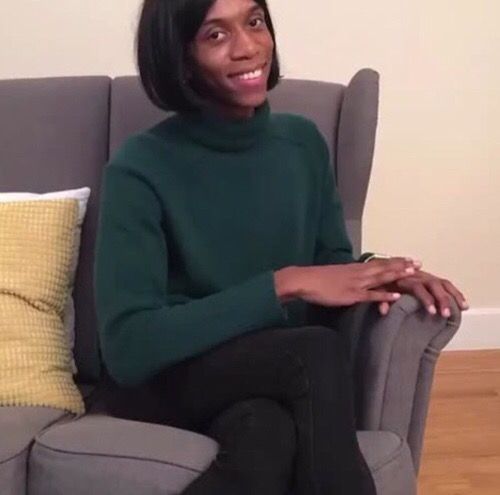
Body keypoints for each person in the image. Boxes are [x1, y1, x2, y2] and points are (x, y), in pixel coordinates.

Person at [93, 0, 469, 493]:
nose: (248, 47)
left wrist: (381, 273)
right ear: (180, 56)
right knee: (312, 352)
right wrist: (283, 284)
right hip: (166, 377)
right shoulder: (140, 167)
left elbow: (330, 264)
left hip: (264, 376)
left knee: (267, 435)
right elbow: (128, 347)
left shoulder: (302, 144)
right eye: (215, 35)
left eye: (254, 22)